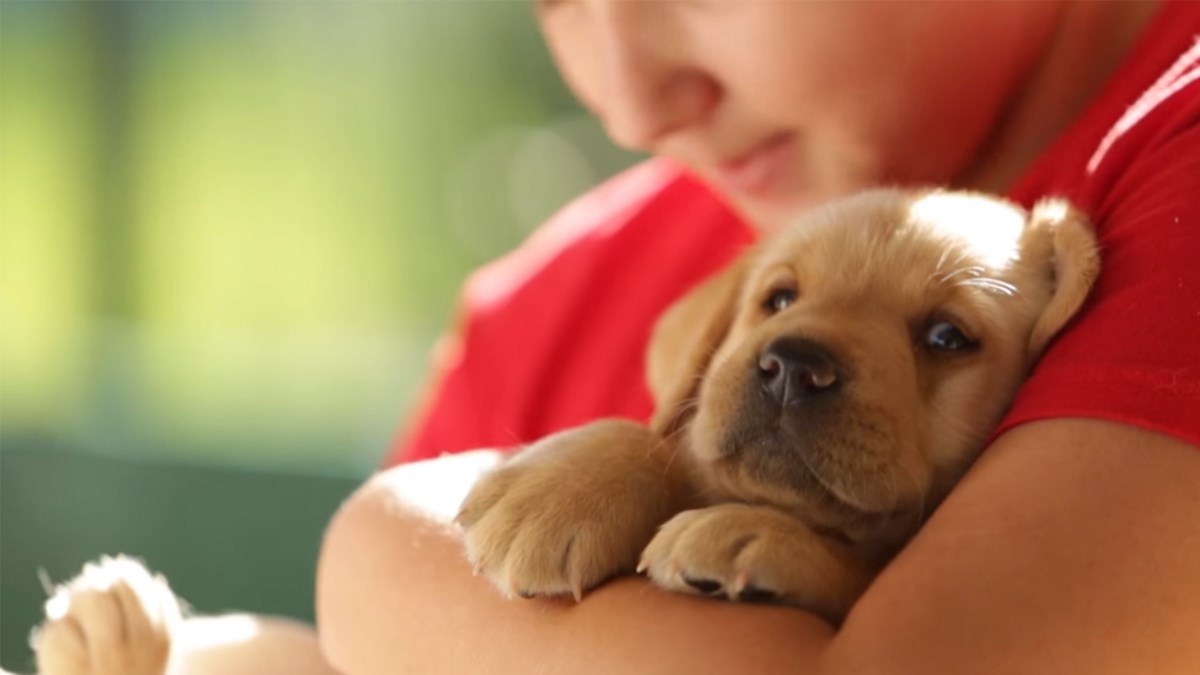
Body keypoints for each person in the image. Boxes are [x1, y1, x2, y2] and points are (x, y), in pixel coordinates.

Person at [317, 2, 1200, 673]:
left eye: (942, 336)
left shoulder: (1157, 194)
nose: (634, 110)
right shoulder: (546, 316)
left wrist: (381, 554)